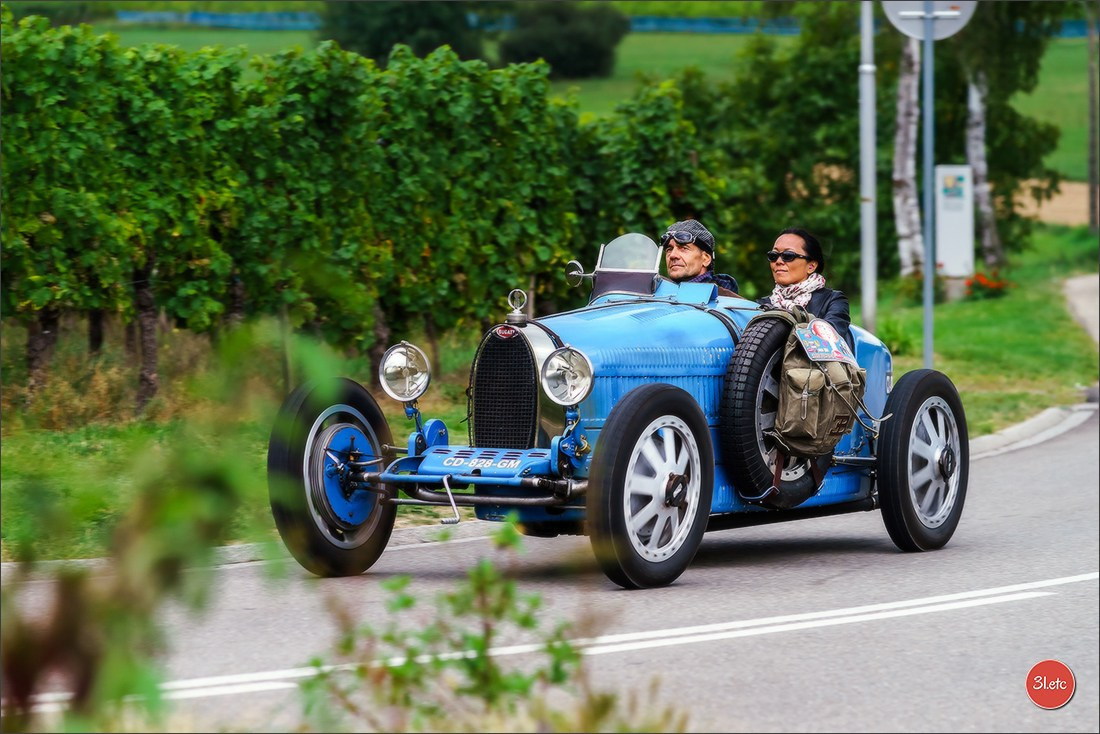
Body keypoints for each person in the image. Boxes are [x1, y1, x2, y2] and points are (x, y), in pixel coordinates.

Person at [758, 227, 853, 349]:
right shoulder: (762, 304)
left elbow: (829, 339)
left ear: (811, 266)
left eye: (788, 255)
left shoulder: (832, 300)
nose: (779, 261)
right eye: (773, 255)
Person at [660, 219, 739, 296]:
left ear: (706, 259)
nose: (673, 255)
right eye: (669, 249)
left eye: (684, 248)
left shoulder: (727, 302)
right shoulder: (655, 295)